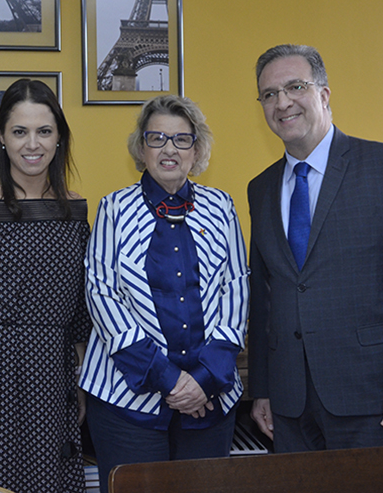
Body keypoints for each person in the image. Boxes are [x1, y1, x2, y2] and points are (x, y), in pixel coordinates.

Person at [247, 44, 383, 452]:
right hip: (289, 403)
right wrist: (263, 388)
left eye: (295, 87)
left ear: (324, 94)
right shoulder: (261, 188)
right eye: (269, 94)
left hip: (371, 397)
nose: (282, 102)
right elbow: (264, 297)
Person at [80, 95, 249, 492]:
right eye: (157, 138)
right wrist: (171, 381)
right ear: (141, 148)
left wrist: (203, 380)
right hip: (126, 403)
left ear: (197, 149)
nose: (169, 148)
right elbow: (103, 296)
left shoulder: (221, 207)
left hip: (210, 401)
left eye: (181, 139)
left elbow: (236, 291)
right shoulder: (114, 209)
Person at [0, 79, 90, 493]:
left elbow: (80, 312)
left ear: (59, 137)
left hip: (55, 379)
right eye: (20, 131)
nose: (33, 144)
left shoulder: (75, 211)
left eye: (44, 131)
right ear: (1, 137)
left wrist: (80, 385)